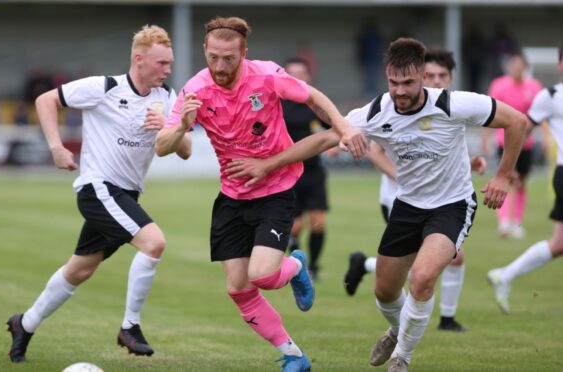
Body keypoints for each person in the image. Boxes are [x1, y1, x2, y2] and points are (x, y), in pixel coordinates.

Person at [225, 37, 528, 371]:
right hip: (408, 205)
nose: (399, 90)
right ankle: (399, 331)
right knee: (384, 292)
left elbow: (517, 122)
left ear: (424, 77)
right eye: (393, 82)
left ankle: (402, 358)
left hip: (452, 205)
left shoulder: (453, 104)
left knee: (423, 278)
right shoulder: (375, 112)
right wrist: (268, 165)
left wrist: (502, 176)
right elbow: (326, 137)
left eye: (408, 83)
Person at [155, 16, 367, 372]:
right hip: (231, 197)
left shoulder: (266, 75)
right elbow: (162, 147)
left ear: (244, 53)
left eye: (229, 58)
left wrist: (342, 126)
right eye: (214, 58)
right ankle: (293, 355)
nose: (220, 67)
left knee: (263, 276)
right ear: (205, 50)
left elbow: (313, 96)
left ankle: (296, 265)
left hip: (275, 191)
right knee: (238, 289)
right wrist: (181, 126)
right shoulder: (195, 90)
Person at [6, 25, 191, 363]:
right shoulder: (104, 87)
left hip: (127, 196)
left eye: (170, 63)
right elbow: (45, 99)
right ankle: (129, 328)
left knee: (79, 271)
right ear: (139, 59)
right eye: (162, 63)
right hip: (99, 189)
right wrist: (56, 147)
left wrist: (171, 125)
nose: (168, 70)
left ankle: (24, 324)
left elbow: (185, 151)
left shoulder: (167, 97)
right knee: (154, 243)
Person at [344, 49, 487, 333]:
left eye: (441, 76)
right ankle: (406, 329)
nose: (435, 81)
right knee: (416, 268)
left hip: (438, 200)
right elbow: (372, 147)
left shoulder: (448, 107)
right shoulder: (388, 109)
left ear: (450, 77)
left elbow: (434, 152)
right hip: (399, 199)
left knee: (436, 264)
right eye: (431, 75)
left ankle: (440, 320)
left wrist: (468, 163)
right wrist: (398, 176)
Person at [488, 44, 563, 314]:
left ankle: (505, 275)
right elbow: (520, 127)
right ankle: (507, 228)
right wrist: (506, 169)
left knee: (559, 244)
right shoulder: (551, 96)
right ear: (560, 64)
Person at [282, 57, 332, 280]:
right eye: (292, 74)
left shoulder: (314, 102)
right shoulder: (277, 103)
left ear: (308, 76)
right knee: (295, 226)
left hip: (313, 171)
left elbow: (331, 126)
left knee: (318, 222)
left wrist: (336, 142)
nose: (297, 78)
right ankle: (297, 267)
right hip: (287, 173)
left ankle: (314, 267)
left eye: (301, 73)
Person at [483, 52, 543, 239]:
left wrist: (546, 139)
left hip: (526, 143)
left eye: (520, 64)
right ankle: (503, 222)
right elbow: (489, 112)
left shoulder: (534, 87)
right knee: (504, 178)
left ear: (525, 67)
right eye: (513, 64)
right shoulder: (499, 85)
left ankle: (516, 222)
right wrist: (486, 138)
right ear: (509, 66)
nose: (516, 68)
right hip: (504, 141)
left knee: (521, 182)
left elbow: (540, 114)